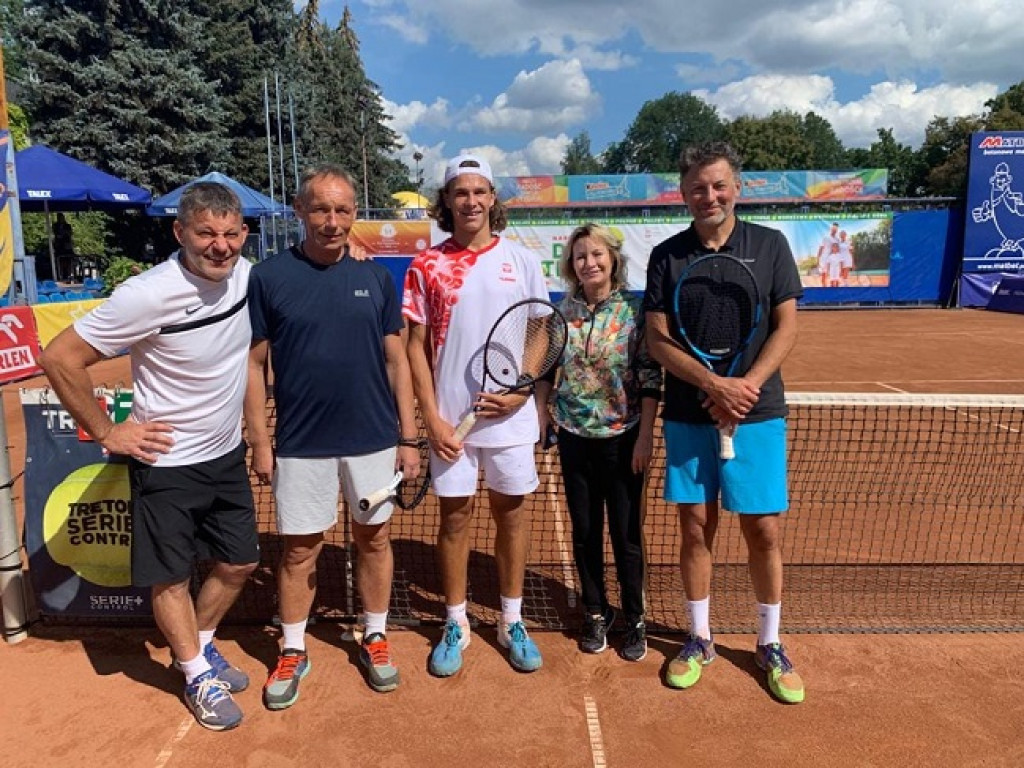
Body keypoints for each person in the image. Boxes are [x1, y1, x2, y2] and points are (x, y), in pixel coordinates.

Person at [39, 183, 258, 730]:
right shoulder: (146, 293)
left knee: (240, 563)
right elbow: (60, 356)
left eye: (230, 234)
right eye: (206, 233)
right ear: (179, 232)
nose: (220, 245)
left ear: (244, 235)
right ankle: (194, 674)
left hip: (226, 454)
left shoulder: (250, 276)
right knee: (170, 580)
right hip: (166, 462)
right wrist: (108, 430)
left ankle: (201, 644)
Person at [245, 164, 420, 707]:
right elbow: (254, 365)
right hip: (299, 444)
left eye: (343, 210)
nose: (332, 220)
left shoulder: (374, 277)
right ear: (300, 212)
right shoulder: (269, 277)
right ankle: (294, 648)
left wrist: (409, 437)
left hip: (372, 440)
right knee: (300, 551)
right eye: (320, 209)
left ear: (353, 215)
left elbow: (398, 360)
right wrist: (260, 440)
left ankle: (374, 634)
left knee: (375, 539)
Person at [642, 141, 805, 704]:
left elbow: (785, 327)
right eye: (696, 188)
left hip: (756, 413)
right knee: (695, 527)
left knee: (763, 530)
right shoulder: (666, 255)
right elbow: (657, 339)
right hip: (690, 414)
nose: (707, 196)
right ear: (683, 193)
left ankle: (769, 643)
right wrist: (713, 385)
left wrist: (745, 387)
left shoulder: (771, 246)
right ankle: (699, 638)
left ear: (736, 187)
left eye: (717, 185)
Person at [403, 154, 548, 676]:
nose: (470, 201)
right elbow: (415, 347)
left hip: (510, 418)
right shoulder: (427, 266)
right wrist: (433, 419)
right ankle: (456, 620)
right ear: (447, 202)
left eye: (479, 191)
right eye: (460, 193)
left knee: (511, 516)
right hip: (450, 424)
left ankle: (511, 618)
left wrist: (521, 389)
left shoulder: (522, 259)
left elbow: (540, 330)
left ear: (492, 199)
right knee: (455, 519)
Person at [535, 223, 661, 661]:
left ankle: (634, 617)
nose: (589, 262)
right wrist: (542, 416)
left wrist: (645, 434)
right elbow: (548, 371)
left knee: (627, 535)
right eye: (580, 256)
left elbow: (648, 375)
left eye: (596, 254)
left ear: (613, 259)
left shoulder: (635, 310)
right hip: (573, 439)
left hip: (623, 440)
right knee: (586, 532)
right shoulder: (561, 312)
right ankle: (595, 611)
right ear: (571, 265)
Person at [816, 221, 839, 287]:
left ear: (837, 230)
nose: (834, 231)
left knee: (833, 275)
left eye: (836, 229)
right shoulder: (825, 238)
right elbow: (821, 248)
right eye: (833, 229)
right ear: (831, 229)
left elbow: (838, 250)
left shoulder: (837, 239)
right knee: (824, 274)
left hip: (833, 259)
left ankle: (834, 289)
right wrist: (818, 258)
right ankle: (824, 288)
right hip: (824, 258)